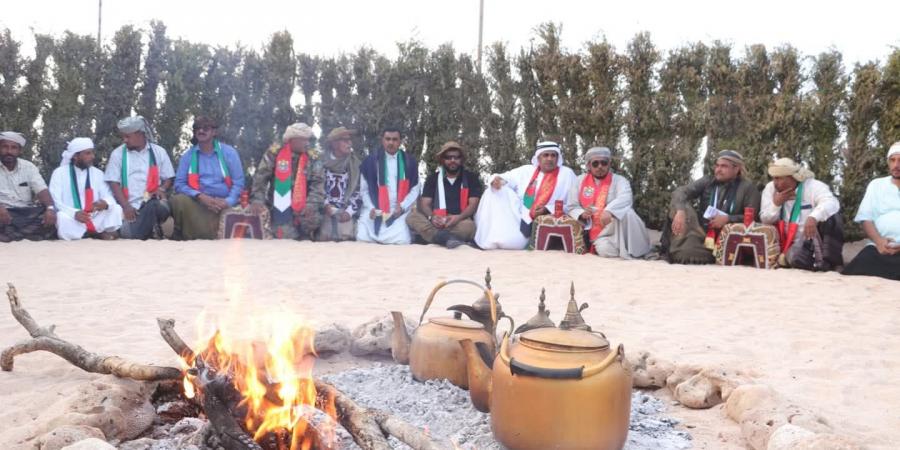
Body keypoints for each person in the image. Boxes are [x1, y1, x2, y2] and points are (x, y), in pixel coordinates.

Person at [661, 149, 761, 264]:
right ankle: (678, 249)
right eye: (717, 166)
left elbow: (753, 218)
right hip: (701, 234)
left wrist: (728, 219)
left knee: (685, 254)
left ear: (736, 169)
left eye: (724, 166)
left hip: (726, 238)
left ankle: (697, 252)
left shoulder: (748, 188)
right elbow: (680, 192)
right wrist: (680, 211)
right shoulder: (708, 181)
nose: (718, 170)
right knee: (681, 205)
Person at [474, 141, 576, 250]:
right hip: (520, 215)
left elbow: (573, 204)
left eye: (553, 155)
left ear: (558, 158)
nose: (550, 158)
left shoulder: (567, 174)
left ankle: (514, 239)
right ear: (538, 158)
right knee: (493, 190)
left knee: (514, 243)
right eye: (546, 155)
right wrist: (497, 180)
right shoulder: (526, 170)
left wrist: (548, 209)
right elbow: (506, 178)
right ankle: (490, 237)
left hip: (547, 218)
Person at [566, 146, 651, 258]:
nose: (600, 166)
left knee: (628, 213)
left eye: (604, 163)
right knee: (605, 250)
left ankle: (637, 251)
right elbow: (572, 206)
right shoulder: (579, 181)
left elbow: (625, 198)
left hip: (615, 225)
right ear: (588, 166)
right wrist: (582, 214)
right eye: (595, 164)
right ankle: (623, 250)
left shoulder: (620, 180)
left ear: (609, 164)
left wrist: (609, 211)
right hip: (597, 231)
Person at [759, 158, 842, 270]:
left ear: (792, 178)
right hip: (785, 243)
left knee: (833, 218)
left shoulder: (813, 186)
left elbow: (832, 202)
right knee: (796, 257)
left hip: (811, 238)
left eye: (778, 178)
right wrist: (776, 204)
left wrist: (813, 217)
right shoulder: (771, 188)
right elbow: (765, 219)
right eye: (773, 178)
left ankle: (832, 262)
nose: (775, 182)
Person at [171, 116, 245, 240]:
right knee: (178, 200)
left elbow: (238, 182)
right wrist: (200, 196)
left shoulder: (229, 153)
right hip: (199, 203)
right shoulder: (188, 156)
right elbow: (179, 184)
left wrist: (228, 201)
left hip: (224, 203)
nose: (201, 131)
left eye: (206, 128)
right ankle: (183, 233)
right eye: (197, 128)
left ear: (214, 132)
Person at [104, 116, 175, 239]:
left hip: (154, 202)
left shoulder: (159, 152)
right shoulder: (118, 154)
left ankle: (139, 231)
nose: (124, 140)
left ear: (140, 134)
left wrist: (162, 189)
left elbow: (169, 177)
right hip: (129, 205)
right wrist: (126, 206)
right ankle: (151, 229)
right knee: (132, 227)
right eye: (123, 137)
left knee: (153, 205)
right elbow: (114, 183)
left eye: (128, 136)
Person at [250, 123, 324, 239]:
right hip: (280, 205)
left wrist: (311, 204)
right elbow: (261, 177)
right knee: (285, 235)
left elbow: (318, 184)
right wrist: (258, 199)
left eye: (308, 139)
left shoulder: (313, 157)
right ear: (292, 140)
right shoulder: (274, 153)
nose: (307, 143)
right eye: (303, 140)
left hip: (305, 205)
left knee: (314, 224)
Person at [407, 141, 483, 248]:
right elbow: (425, 204)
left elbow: (473, 204)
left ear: (461, 160)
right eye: (448, 157)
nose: (452, 160)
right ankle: (447, 238)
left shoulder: (471, 178)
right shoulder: (432, 178)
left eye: (456, 157)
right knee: (412, 217)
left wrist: (458, 217)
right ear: (442, 160)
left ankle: (435, 237)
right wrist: (432, 217)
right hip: (437, 220)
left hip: (459, 221)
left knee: (470, 227)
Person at [843, 141, 900, 280]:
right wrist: (879, 242)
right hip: (879, 247)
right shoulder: (877, 185)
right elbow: (866, 218)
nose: (896, 165)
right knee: (861, 266)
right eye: (892, 160)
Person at [48, 138, 123, 240]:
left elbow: (108, 196)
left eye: (92, 153)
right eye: (87, 153)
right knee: (61, 217)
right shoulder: (59, 173)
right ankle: (95, 234)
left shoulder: (98, 174)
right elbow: (56, 201)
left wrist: (104, 203)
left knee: (116, 208)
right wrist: (74, 213)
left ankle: (94, 233)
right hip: (73, 218)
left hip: (94, 216)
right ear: (75, 156)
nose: (92, 157)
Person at [357, 127, 419, 245]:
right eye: (388, 139)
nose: (391, 142)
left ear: (400, 141)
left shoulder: (409, 162)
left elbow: (415, 189)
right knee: (362, 237)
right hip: (376, 210)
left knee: (402, 240)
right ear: (382, 140)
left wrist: (402, 207)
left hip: (398, 210)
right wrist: (371, 208)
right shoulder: (370, 161)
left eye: (395, 139)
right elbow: (364, 191)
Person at [0, 131, 57, 242]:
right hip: (3, 211)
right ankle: (22, 235)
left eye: (14, 148)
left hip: (25, 212)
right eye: (5, 147)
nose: (9, 151)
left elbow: (41, 190)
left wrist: (50, 208)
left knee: (49, 217)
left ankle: (9, 235)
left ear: (20, 151)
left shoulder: (28, 167)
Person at [317, 126, 362, 242]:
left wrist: (349, 212)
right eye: (345, 140)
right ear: (334, 144)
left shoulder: (355, 164)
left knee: (347, 235)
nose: (349, 144)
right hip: (323, 210)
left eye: (350, 140)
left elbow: (359, 191)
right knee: (323, 236)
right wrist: (326, 205)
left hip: (345, 212)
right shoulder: (320, 162)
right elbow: (316, 187)